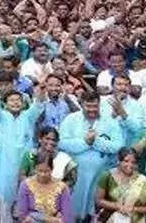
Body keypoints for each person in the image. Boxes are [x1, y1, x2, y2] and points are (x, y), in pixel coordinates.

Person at [59, 91, 125, 221]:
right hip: (75, 176)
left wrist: (96, 142)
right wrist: (85, 142)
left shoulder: (110, 121)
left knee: (95, 213)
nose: (92, 110)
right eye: (88, 106)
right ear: (81, 104)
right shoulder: (70, 119)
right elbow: (62, 143)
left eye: (95, 106)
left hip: (101, 175)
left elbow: (118, 146)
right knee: (72, 212)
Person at [0, 80, 44, 223]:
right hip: (6, 164)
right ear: (5, 104)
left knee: (27, 199)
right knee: (6, 201)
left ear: (23, 103)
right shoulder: (1, 116)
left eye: (18, 100)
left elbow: (38, 104)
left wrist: (41, 88)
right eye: (11, 100)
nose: (15, 103)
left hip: (25, 164)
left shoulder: (28, 116)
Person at [93, 148, 146, 223]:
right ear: (119, 161)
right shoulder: (107, 176)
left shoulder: (141, 180)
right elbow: (99, 200)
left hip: (133, 219)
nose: (130, 165)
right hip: (108, 217)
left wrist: (134, 209)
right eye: (126, 161)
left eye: (133, 162)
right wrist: (118, 206)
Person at [14, 151, 73, 223]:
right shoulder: (26, 185)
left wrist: (33, 215)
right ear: (34, 169)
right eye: (40, 171)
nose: (43, 174)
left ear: (52, 169)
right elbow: (23, 215)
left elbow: (67, 217)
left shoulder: (62, 187)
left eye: (46, 171)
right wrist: (52, 219)